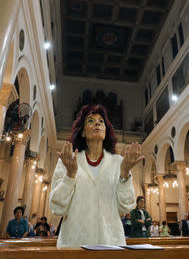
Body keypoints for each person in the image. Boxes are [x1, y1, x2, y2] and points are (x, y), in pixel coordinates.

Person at [50, 104, 143, 248]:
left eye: (101, 121)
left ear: (106, 131)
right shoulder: (68, 161)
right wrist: (70, 175)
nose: (97, 123)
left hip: (110, 244)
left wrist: (124, 174)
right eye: (91, 121)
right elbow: (58, 209)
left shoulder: (118, 163)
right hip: (75, 245)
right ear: (82, 132)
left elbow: (126, 207)